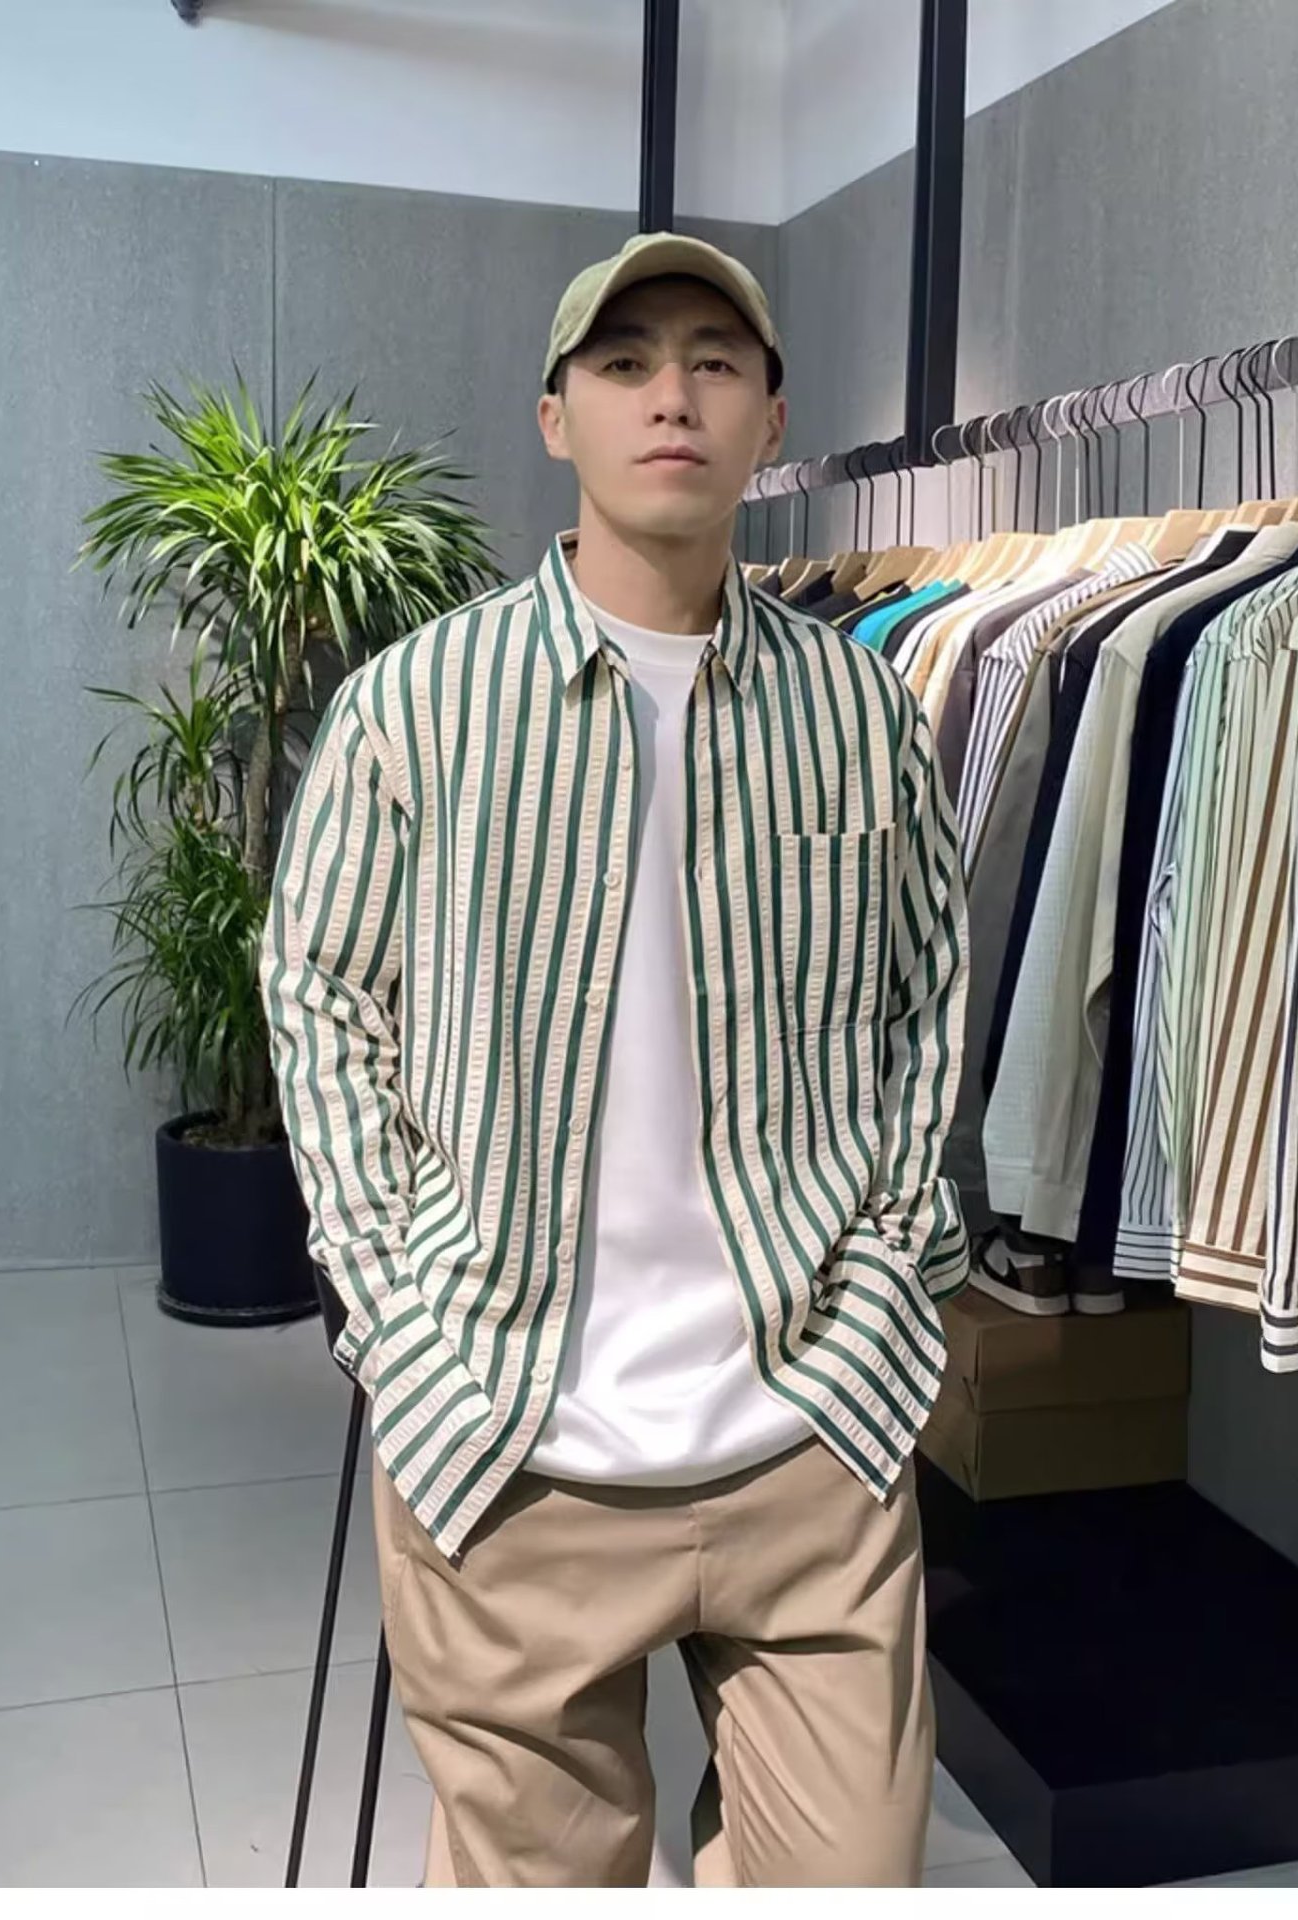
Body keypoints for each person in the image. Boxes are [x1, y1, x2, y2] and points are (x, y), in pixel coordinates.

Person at [260, 231, 970, 1888]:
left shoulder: (857, 711)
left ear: (771, 422)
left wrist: (889, 1271)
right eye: (626, 362)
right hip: (511, 1442)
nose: (672, 397)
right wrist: (397, 1311)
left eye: (715, 364)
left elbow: (927, 998)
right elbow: (321, 994)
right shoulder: (417, 707)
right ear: (554, 416)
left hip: (807, 1430)